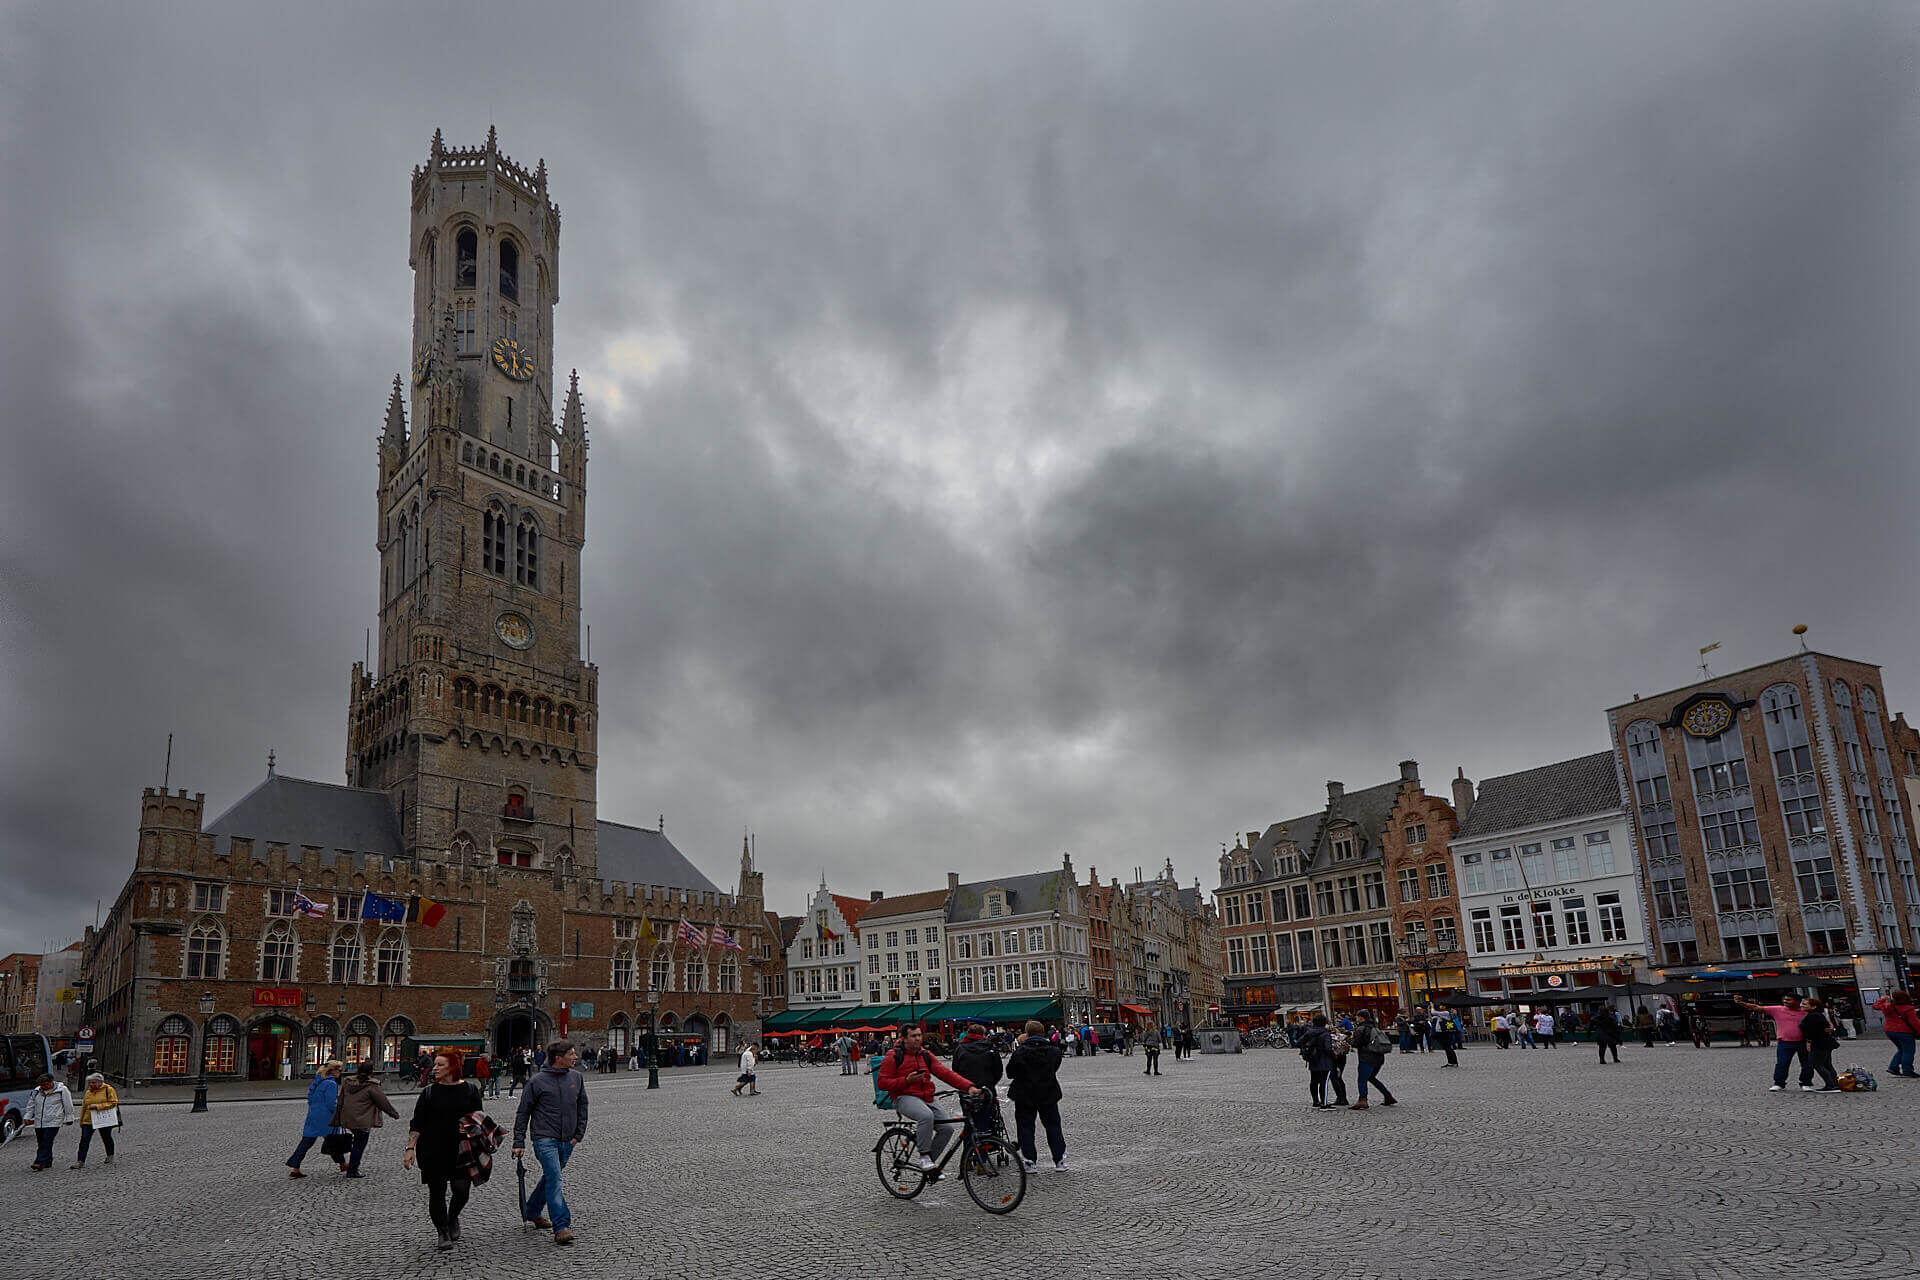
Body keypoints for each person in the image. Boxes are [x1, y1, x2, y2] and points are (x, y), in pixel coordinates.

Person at [876, 1025, 984, 1172]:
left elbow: (945, 1073)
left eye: (919, 1035)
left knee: (947, 1129)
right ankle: (924, 1157)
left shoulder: (925, 1055)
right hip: (903, 1096)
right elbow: (882, 1083)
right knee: (926, 1116)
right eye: (913, 1036)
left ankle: (929, 1167)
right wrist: (906, 1080)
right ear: (904, 1038)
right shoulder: (893, 1056)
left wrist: (969, 1087)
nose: (918, 1038)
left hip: (926, 1096)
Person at [406, 1050, 484, 1251]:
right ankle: (442, 1231)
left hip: (461, 1149)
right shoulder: (429, 1092)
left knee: (461, 1189)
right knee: (437, 1192)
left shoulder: (470, 1090)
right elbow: (417, 1122)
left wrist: (469, 1126)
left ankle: (452, 1217)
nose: (435, 1068)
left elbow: (479, 1117)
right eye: (435, 1064)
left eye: (440, 1065)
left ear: (453, 1067)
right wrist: (410, 1148)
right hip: (432, 1148)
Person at [514, 1040, 589, 1246]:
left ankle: (532, 1210)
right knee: (555, 1178)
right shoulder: (537, 1081)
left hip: (568, 1139)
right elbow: (523, 1112)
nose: (575, 1057)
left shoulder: (576, 1077)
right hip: (544, 1138)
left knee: (550, 1177)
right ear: (558, 1058)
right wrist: (519, 1141)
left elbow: (582, 1106)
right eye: (571, 1054)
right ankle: (561, 1226)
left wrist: (578, 1135)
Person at [1006, 1020, 1069, 1170]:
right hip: (1048, 1093)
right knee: (1053, 1126)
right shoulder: (1053, 1051)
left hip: (1025, 1094)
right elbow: (1055, 1067)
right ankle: (1059, 1160)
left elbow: (1010, 1073)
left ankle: (1030, 1161)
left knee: (1025, 1127)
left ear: (1027, 1033)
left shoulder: (1020, 1052)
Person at [334, 1059, 400, 1178]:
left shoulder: (348, 1082)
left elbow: (340, 1100)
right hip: (362, 1119)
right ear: (372, 1072)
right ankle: (353, 1170)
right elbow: (383, 1103)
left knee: (357, 1143)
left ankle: (351, 1168)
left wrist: (338, 1117)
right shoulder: (372, 1085)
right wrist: (394, 1114)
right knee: (359, 1145)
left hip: (348, 1117)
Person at [1736, 994, 1809, 1091]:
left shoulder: (1806, 1012)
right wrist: (1740, 1003)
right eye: (1785, 999)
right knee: (1782, 1063)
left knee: (1806, 1063)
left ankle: (1806, 1083)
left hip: (1803, 1042)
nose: (1785, 1001)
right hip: (1785, 1042)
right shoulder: (1778, 1009)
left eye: (1789, 1000)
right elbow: (1756, 1007)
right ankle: (1779, 1083)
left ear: (1797, 1001)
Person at [286, 1060, 344, 1178]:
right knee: (333, 1140)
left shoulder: (318, 1082)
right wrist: (339, 1113)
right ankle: (343, 1164)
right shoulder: (331, 1084)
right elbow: (331, 1103)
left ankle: (295, 1167)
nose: (340, 1072)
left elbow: (310, 1098)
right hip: (326, 1118)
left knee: (306, 1142)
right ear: (333, 1071)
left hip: (313, 1115)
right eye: (339, 1070)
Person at [24, 1073, 75, 1171]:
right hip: (39, 1121)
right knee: (41, 1142)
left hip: (54, 1121)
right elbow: (31, 1105)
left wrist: (69, 1118)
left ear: (51, 1082)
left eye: (45, 1085)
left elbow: (68, 1105)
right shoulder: (37, 1091)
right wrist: (27, 1116)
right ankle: (47, 1161)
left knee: (46, 1140)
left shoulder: (62, 1090)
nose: (43, 1087)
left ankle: (39, 1162)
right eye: (41, 1085)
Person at [1347, 1011, 1397, 1110]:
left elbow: (1356, 1043)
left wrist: (1349, 1039)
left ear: (1361, 1018)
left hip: (1367, 1058)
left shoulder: (1361, 1028)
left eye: (1357, 1017)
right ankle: (1388, 1096)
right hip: (1379, 1057)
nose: (1356, 1018)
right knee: (1371, 1077)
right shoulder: (1374, 1027)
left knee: (1362, 1079)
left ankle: (1363, 1100)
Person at [1299, 1014, 1349, 1110]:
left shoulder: (1309, 1032)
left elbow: (1298, 1042)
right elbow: (1328, 1048)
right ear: (1324, 1023)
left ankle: (1315, 1101)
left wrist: (1307, 1050)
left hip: (1313, 1060)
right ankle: (1324, 1103)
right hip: (1325, 1061)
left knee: (1313, 1081)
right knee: (1324, 1082)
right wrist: (1334, 1056)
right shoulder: (1325, 1033)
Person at [71, 1072, 119, 1169]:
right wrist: (82, 1121)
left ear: (100, 1082)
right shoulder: (88, 1092)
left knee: (106, 1137)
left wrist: (98, 1106)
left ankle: (110, 1154)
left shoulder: (108, 1089)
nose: (91, 1085)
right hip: (88, 1120)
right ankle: (80, 1161)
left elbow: (113, 1103)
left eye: (93, 1083)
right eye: (89, 1083)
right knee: (84, 1140)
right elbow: (84, 1107)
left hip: (103, 1119)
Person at [1796, 997, 1844, 1093]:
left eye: (1805, 1004)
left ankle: (1830, 1085)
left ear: (1814, 1006)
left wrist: (1809, 1042)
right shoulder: (1816, 1014)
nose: (1802, 1005)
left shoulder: (1813, 1016)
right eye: (1802, 1003)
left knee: (1817, 1064)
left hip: (1819, 1043)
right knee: (1827, 1064)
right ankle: (1834, 1085)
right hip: (1825, 1043)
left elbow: (1813, 1031)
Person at [1871, 990, 1920, 1078]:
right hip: (1904, 1032)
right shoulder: (1908, 1008)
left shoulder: (1888, 1006)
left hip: (1889, 1031)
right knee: (1908, 1051)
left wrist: (1882, 999)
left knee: (1901, 1049)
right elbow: (1914, 1022)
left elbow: (1875, 1006)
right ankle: (1907, 1070)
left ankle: (1893, 1067)